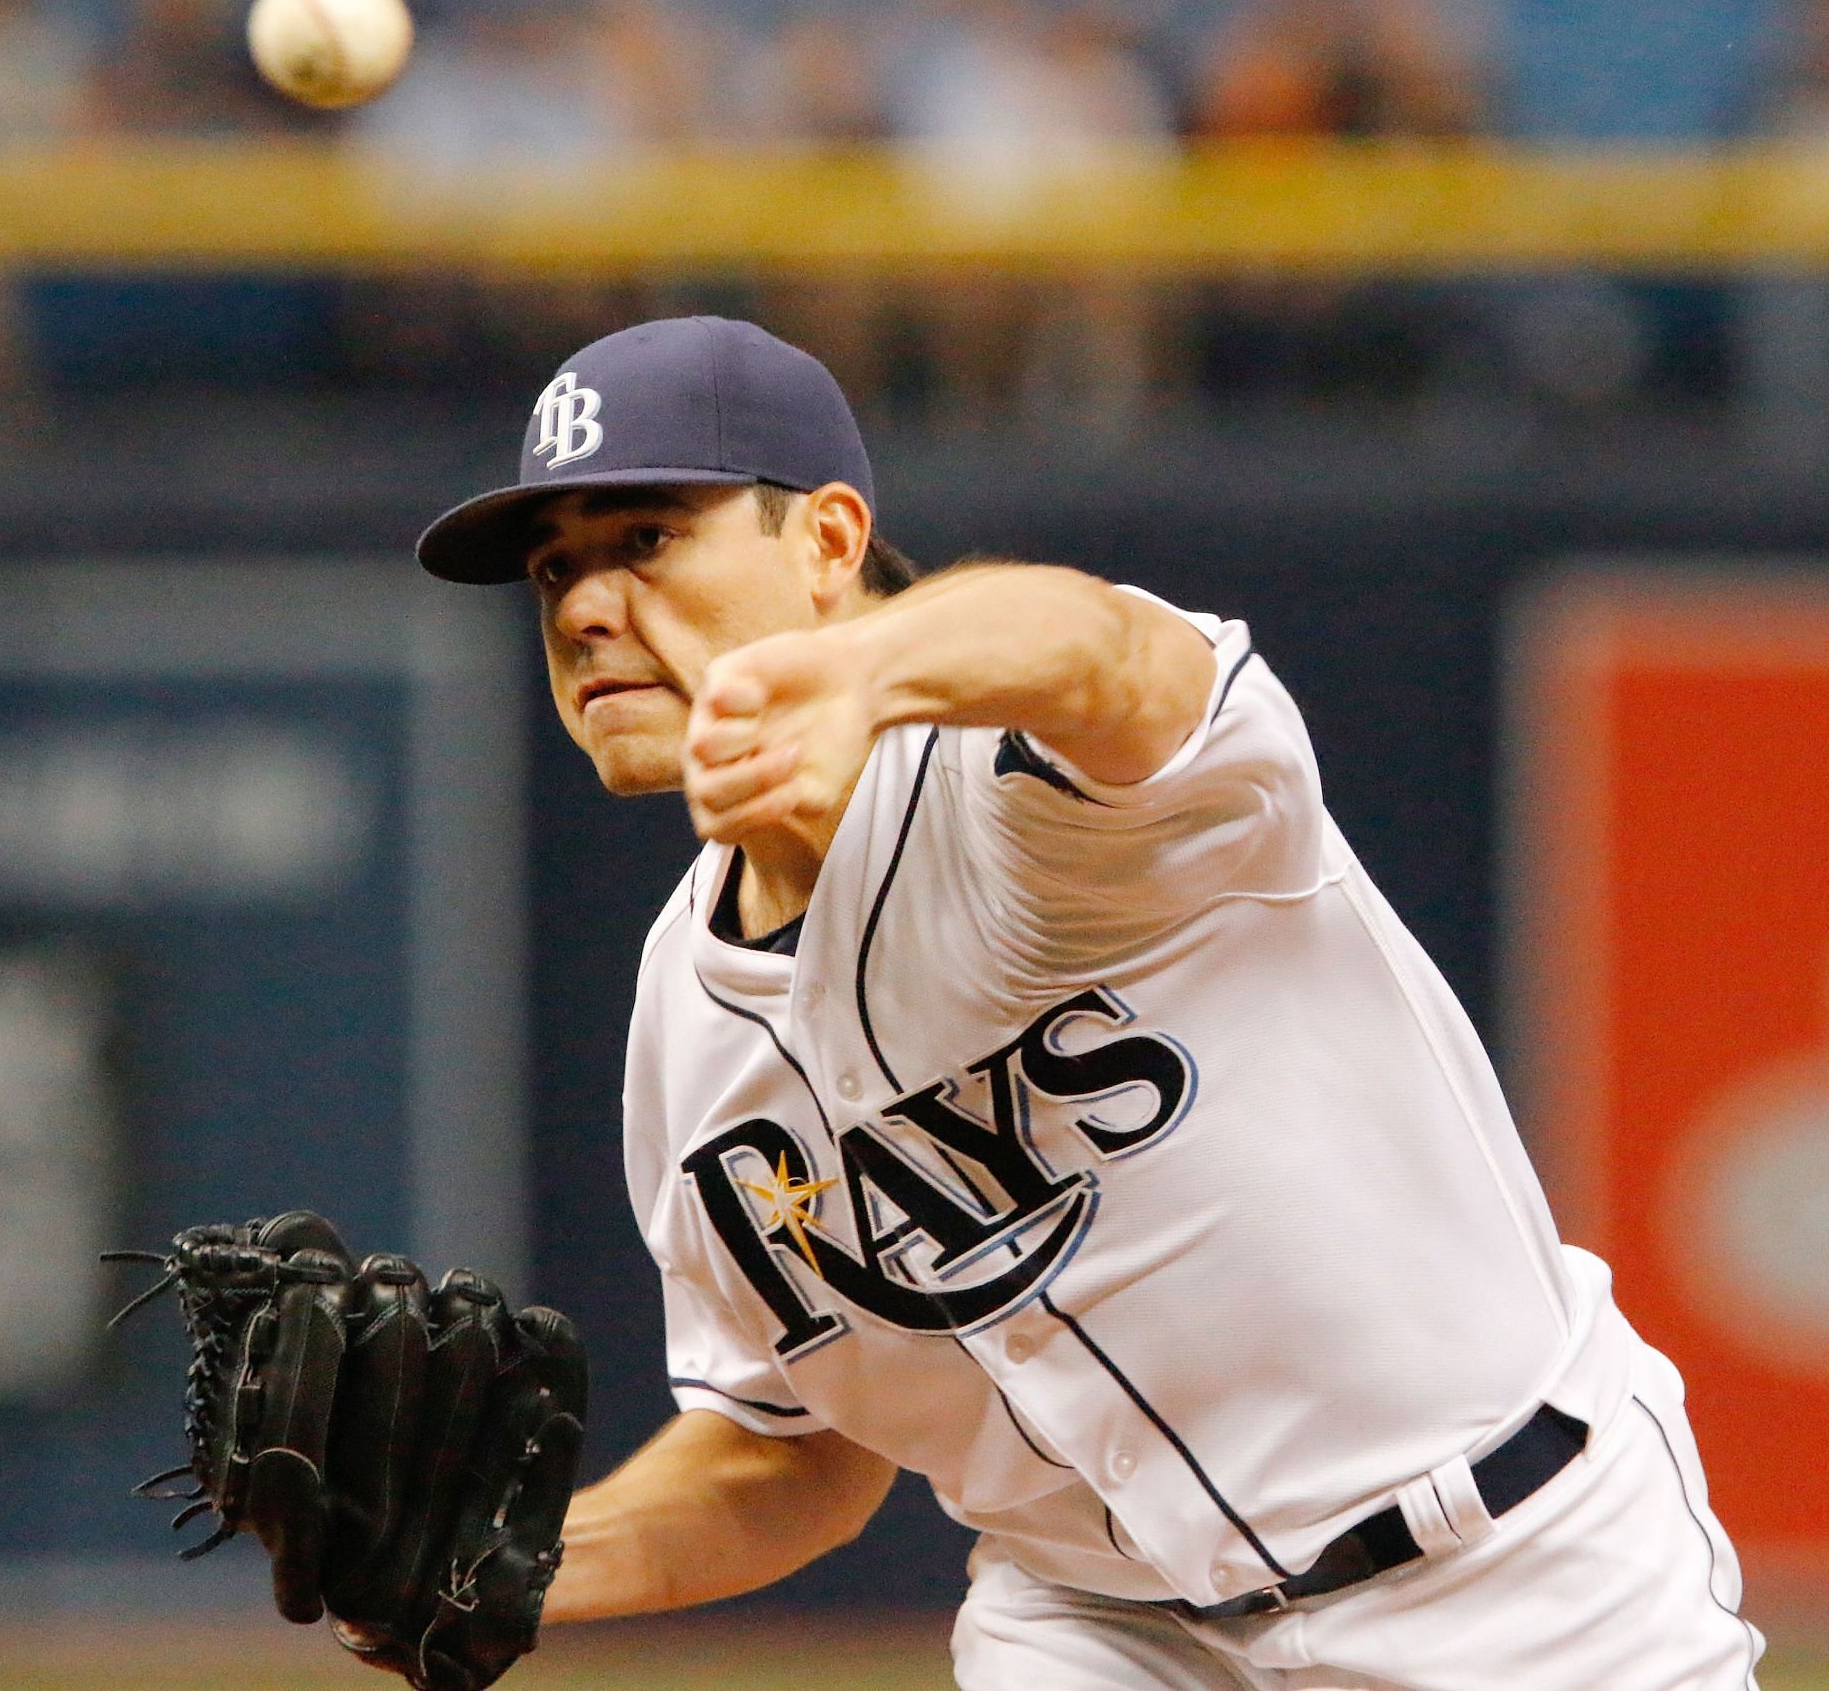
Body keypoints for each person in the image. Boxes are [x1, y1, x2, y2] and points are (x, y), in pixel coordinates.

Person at [415, 314, 1762, 1689]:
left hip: (1513, 1575)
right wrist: (485, 1561)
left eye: (644, 539)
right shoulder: (683, 1025)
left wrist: (867, 672)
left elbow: (1103, 648)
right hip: (1098, 1630)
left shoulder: (1036, 788)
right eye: (553, 569)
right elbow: (791, 1445)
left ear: (827, 543)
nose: (583, 608)